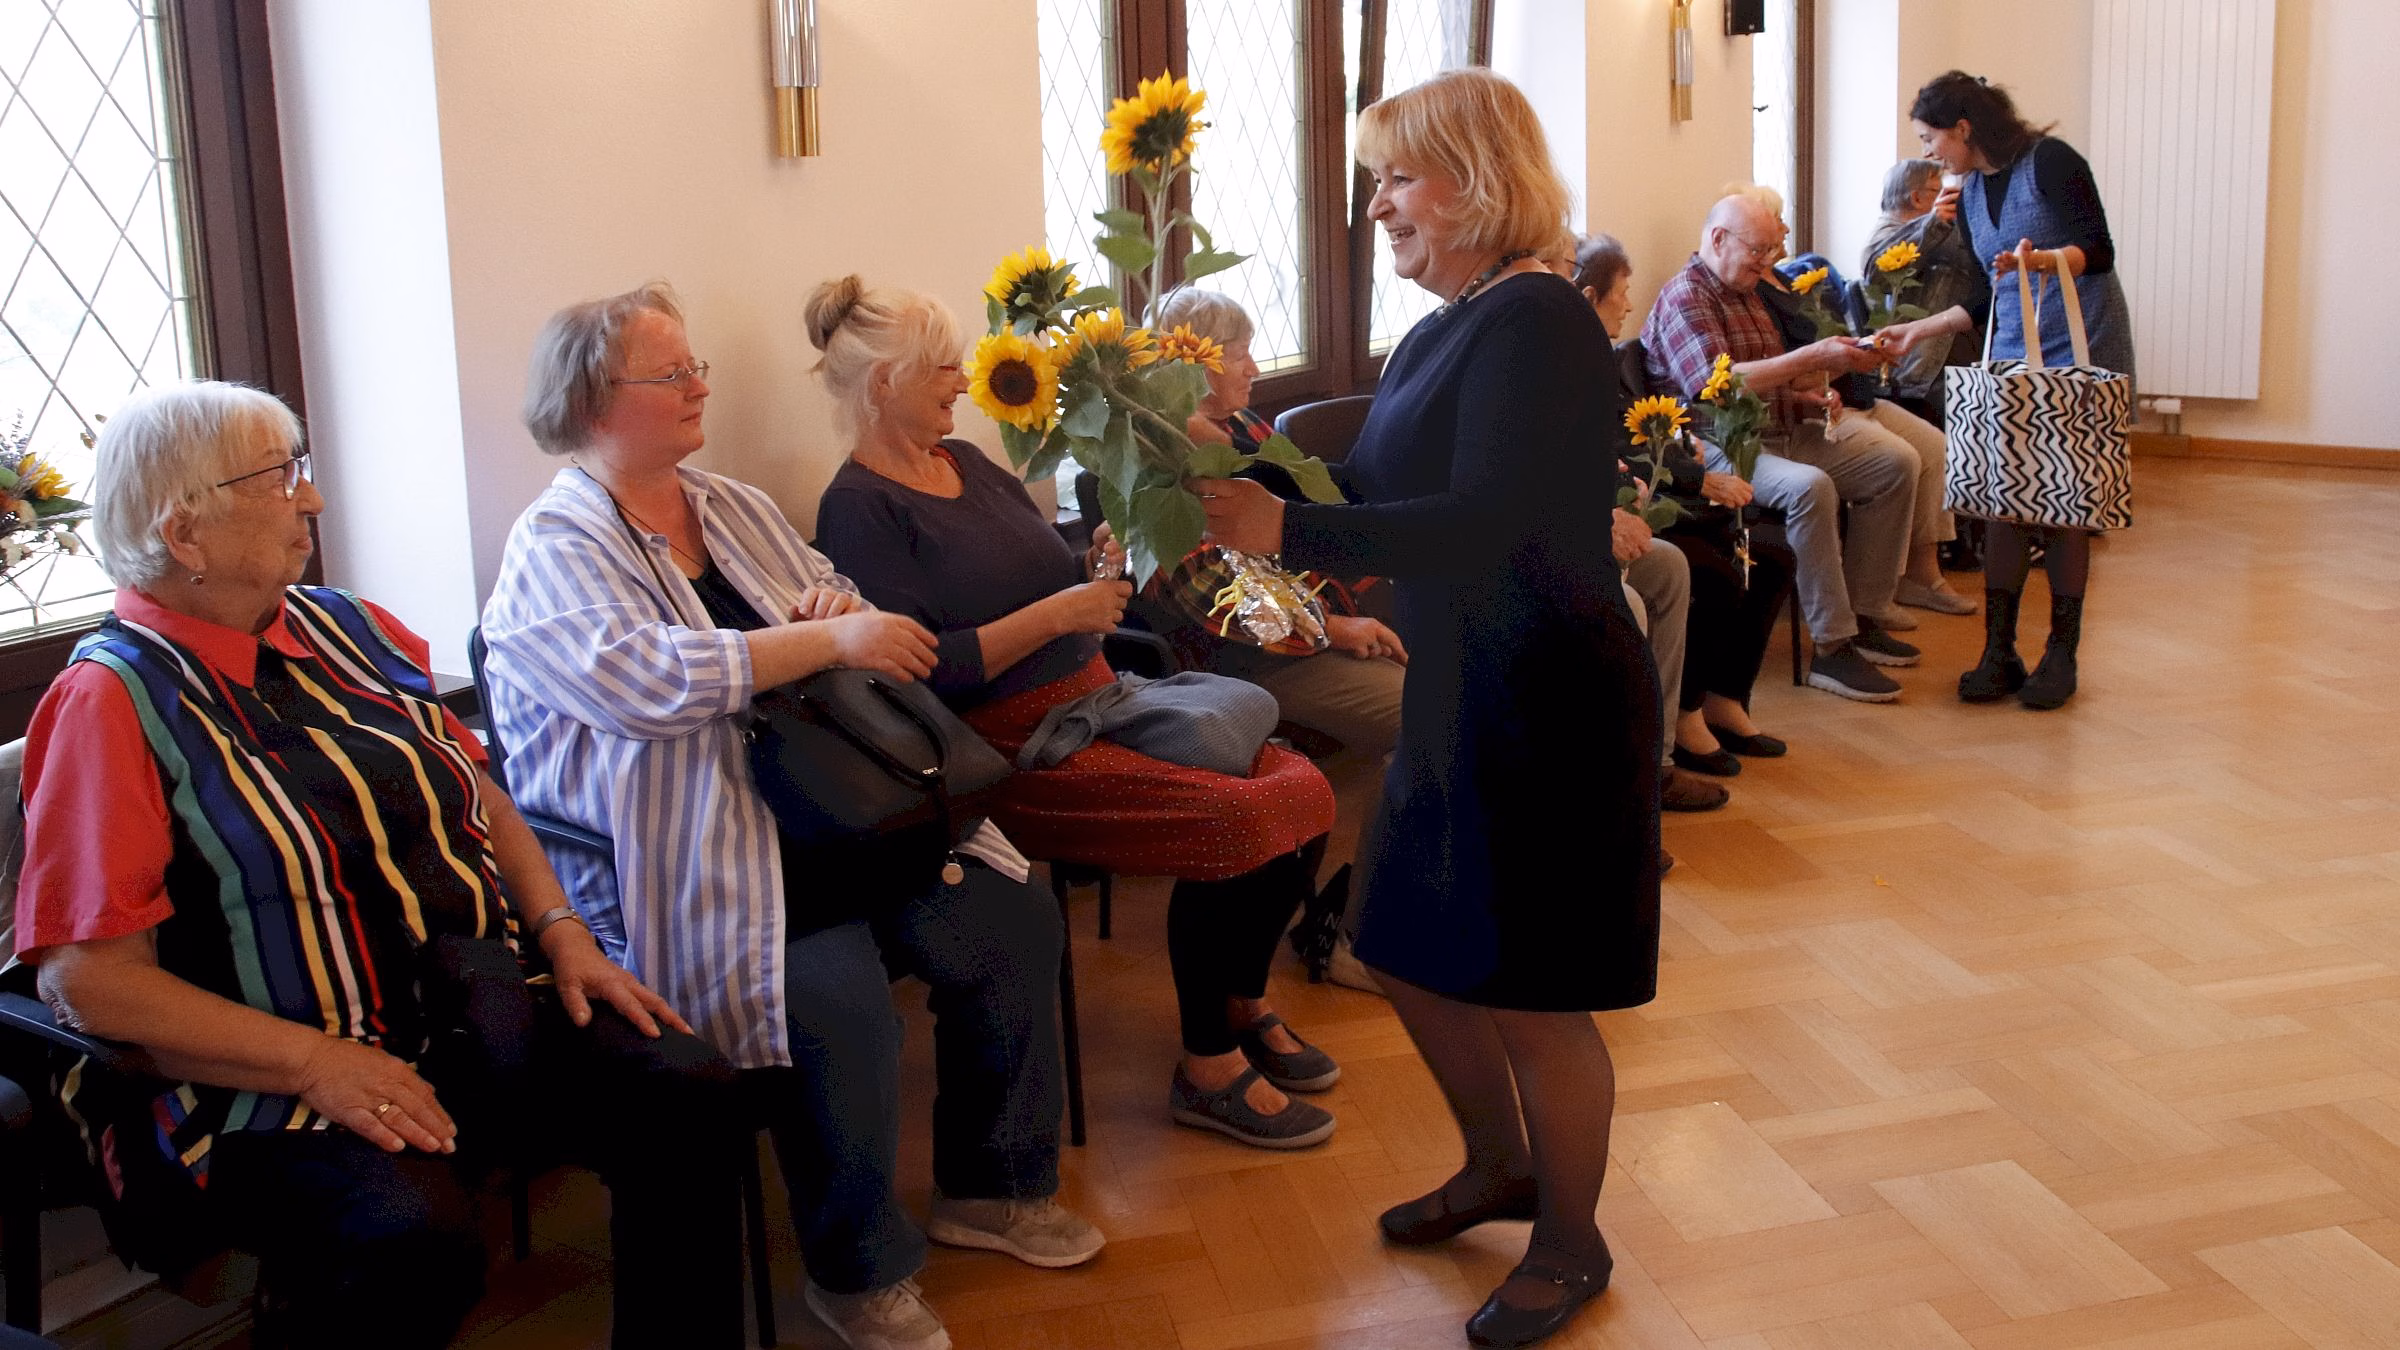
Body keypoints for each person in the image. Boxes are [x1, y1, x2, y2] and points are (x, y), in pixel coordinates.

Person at [15, 381, 743, 1349]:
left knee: (689, 1093)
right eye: (280, 479)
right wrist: (318, 1061)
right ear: (183, 534)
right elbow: (90, 980)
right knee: (413, 1240)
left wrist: (563, 930)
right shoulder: (109, 702)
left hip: (463, 1006)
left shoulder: (344, 630)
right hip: (262, 1071)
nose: (311, 501)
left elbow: (480, 790)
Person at [482, 284, 1101, 1350]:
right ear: (592, 402)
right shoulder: (554, 547)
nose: (699, 386)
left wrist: (833, 613)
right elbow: (645, 683)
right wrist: (822, 640)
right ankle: (856, 1271)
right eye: (670, 374)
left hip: (837, 814)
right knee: (837, 997)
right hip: (689, 856)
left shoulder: (729, 506)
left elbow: (840, 599)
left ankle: (993, 1188)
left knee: (1011, 916)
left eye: (695, 366)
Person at [1195, 69, 1652, 1349]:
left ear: (1474, 177)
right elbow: (1379, 478)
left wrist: (1289, 520)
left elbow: (1485, 521)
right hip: (1464, 678)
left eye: (1399, 175)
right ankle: (1502, 1167)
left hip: (1548, 693)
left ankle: (1572, 1240)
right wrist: (1234, 467)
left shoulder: (1537, 321)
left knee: (1534, 989)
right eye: (1376, 176)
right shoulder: (1452, 322)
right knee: (1401, 937)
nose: (1378, 202)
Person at [805, 276, 1344, 1154]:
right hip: (1013, 747)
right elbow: (921, 672)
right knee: (1241, 811)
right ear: (881, 384)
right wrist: (1057, 616)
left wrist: (1085, 567)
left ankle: (1243, 997)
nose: (960, 380)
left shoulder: (968, 464)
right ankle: (1207, 1069)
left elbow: (1043, 567)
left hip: (1105, 697)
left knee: (1301, 786)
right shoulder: (860, 509)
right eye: (941, 366)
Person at [1882, 71, 2136, 710]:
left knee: (2065, 502)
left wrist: (2049, 261)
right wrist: (1918, 331)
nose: (1929, 151)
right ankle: (2000, 650)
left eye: (1931, 137)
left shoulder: (2050, 161)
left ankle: (2061, 652)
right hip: (2012, 354)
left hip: (2079, 346)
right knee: (2002, 498)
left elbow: (2099, 250)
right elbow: (1981, 292)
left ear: (1963, 128)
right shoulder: (1968, 193)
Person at [1642, 194, 1926, 702]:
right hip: (1719, 445)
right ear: (1717, 239)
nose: (1767, 261)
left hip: (1784, 430)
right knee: (1809, 488)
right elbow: (1716, 386)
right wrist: (1807, 357)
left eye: (1773, 249)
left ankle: (1863, 613)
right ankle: (1832, 648)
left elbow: (1772, 379)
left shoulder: (1748, 291)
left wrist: (1811, 394)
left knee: (1896, 462)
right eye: (1758, 249)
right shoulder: (1685, 295)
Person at [1574, 233, 1797, 778]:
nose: (1630, 303)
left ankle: (1726, 696)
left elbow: (1641, 433)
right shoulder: (1573, 364)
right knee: (1717, 570)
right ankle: (1686, 713)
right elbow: (1612, 449)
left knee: (1772, 556)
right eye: (1621, 292)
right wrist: (1697, 479)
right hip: (1629, 505)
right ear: (1588, 296)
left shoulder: (1601, 356)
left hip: (1649, 490)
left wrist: (1689, 462)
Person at [1532, 247, 1725, 816]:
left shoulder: (1570, 348)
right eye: (1558, 263)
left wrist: (1612, 491)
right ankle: (1606, 791)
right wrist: (1594, 520)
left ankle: (1654, 764)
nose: (1564, 276)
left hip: (1565, 524)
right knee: (1628, 604)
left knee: (1668, 565)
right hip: (1520, 547)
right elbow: (1506, 480)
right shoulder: (1521, 351)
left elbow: (1581, 455)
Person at [1861, 157, 1988, 420]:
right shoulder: (1886, 233)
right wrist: (1934, 222)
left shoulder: (1948, 230)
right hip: (1916, 376)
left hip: (1953, 370)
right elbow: (1877, 273)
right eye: (1940, 189)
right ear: (1917, 198)